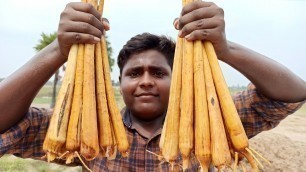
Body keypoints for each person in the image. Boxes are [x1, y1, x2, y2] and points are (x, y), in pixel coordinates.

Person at [0, 1, 305, 171]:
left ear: (178, 79)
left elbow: (292, 93)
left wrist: (224, 50)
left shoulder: (215, 126)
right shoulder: (86, 131)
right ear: (121, 82)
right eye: (135, 73)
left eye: (158, 72)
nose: (146, 81)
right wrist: (58, 50)